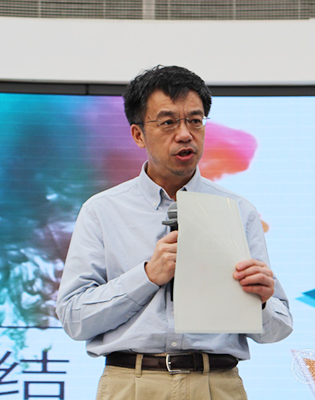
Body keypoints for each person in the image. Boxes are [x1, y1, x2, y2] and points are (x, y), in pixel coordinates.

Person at [56, 65, 293, 400]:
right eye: (168, 122)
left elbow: (278, 328)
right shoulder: (102, 211)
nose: (185, 134)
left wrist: (263, 300)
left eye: (195, 121)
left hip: (216, 385)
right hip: (132, 384)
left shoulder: (239, 211)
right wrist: (147, 277)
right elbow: (74, 318)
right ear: (138, 134)